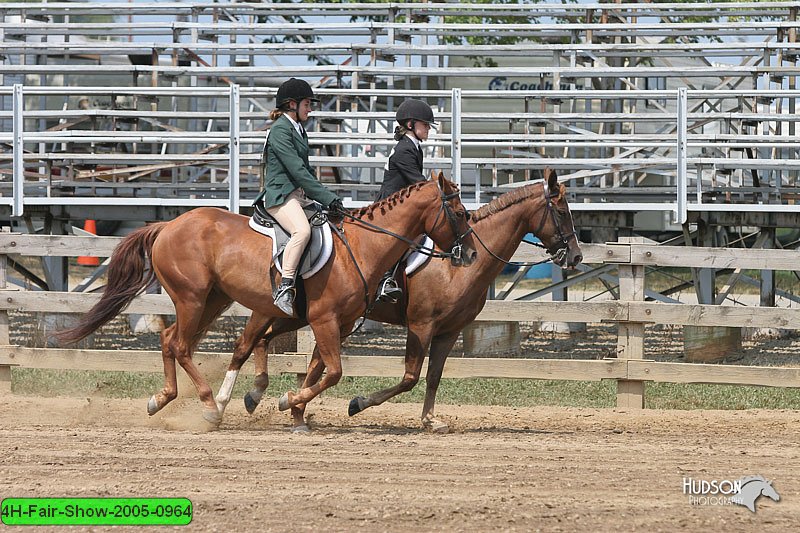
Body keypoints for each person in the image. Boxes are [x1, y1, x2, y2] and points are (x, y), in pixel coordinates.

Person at [255, 78, 344, 315]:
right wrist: (326, 196)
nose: (311, 108)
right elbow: (297, 170)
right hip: (281, 195)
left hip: (298, 194)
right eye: (307, 103)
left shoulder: (298, 129)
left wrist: (326, 200)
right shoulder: (280, 130)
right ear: (292, 104)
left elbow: (305, 171)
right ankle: (285, 286)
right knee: (302, 231)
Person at [376, 99, 437, 302]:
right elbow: (418, 183)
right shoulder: (404, 150)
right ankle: (385, 279)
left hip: (401, 203)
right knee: (403, 237)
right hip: (390, 206)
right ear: (411, 125)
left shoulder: (414, 147)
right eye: (425, 125)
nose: (428, 129)